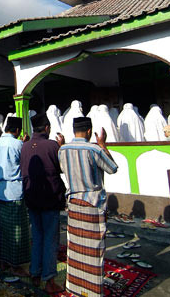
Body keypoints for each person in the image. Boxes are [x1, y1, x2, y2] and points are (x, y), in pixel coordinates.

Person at [59, 117, 118, 297]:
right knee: (93, 249)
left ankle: (74, 287)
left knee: (75, 247)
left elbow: (63, 169)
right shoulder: (94, 150)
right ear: (90, 131)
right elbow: (113, 168)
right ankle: (92, 291)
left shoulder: (63, 149)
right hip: (92, 203)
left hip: (74, 202)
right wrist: (103, 145)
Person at [20, 113, 66, 294]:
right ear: (47, 128)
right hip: (50, 198)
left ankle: (35, 273)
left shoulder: (24, 147)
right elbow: (61, 167)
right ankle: (49, 279)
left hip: (32, 197)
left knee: (38, 236)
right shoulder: (52, 146)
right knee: (50, 239)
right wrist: (61, 148)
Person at [0, 116, 31, 276]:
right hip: (15, 190)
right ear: (17, 130)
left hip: (0, 190)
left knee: (3, 229)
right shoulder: (18, 144)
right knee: (17, 230)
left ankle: (3, 261)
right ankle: (16, 265)